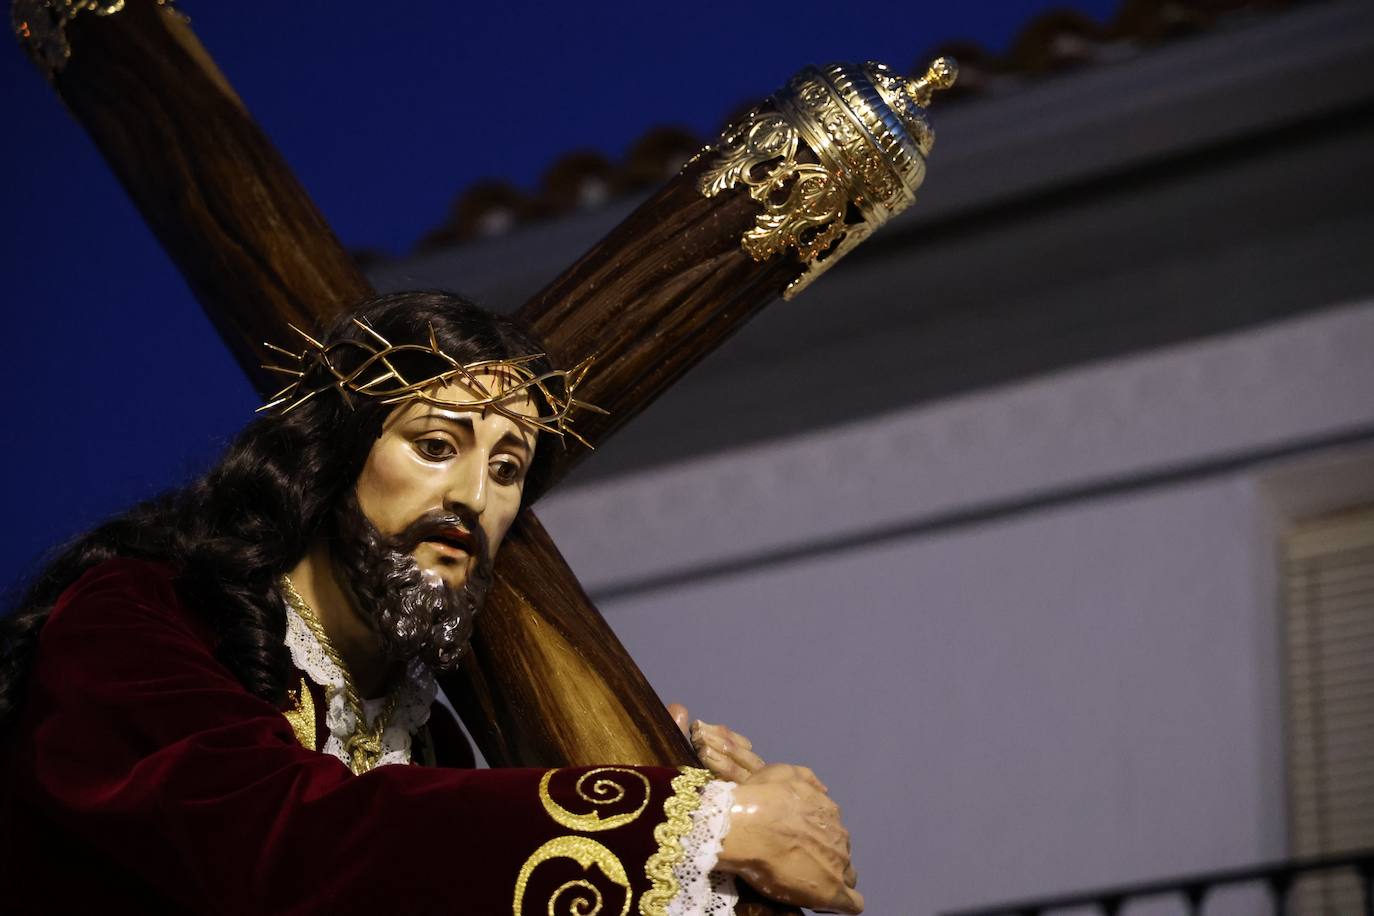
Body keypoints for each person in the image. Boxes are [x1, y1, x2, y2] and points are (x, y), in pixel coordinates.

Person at [0, 290, 862, 915]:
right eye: (436, 443)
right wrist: (693, 824)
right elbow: (279, 846)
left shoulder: (432, 743)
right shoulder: (139, 619)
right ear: (335, 457)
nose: (471, 496)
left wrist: (653, 788)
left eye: (507, 468)